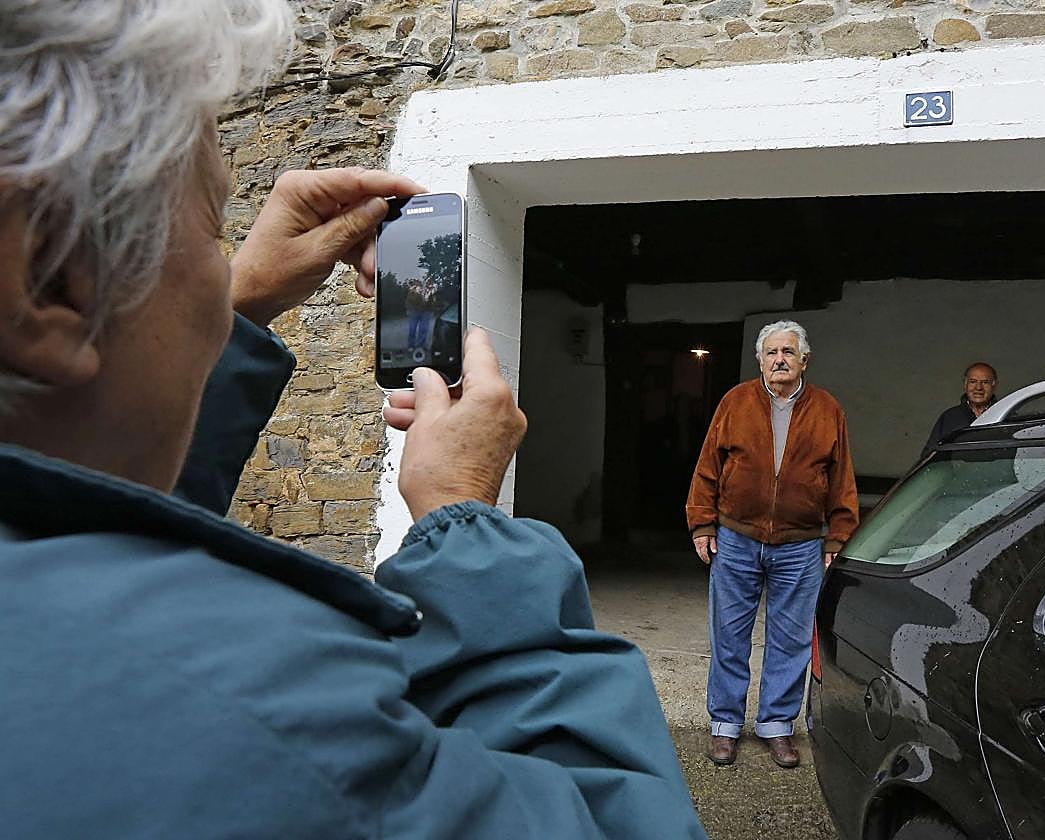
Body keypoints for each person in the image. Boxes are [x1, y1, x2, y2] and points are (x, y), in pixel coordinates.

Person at [0, 3, 706, 838]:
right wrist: (464, 520)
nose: (226, 273)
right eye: (211, 228)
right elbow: (608, 820)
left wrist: (242, 309)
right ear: (48, 276)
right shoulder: (266, 702)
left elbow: (89, 530)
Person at [686, 321, 858, 768]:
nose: (779, 360)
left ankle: (776, 725)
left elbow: (841, 477)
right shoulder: (735, 401)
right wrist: (702, 524)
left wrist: (839, 534)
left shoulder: (827, 409)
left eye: (788, 352)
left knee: (791, 637)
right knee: (729, 634)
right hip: (736, 537)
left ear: (805, 360)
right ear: (760, 360)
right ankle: (725, 725)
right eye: (772, 352)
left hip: (800, 544)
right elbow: (708, 466)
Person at [920, 362, 1000, 459]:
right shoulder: (950, 417)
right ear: (965, 384)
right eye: (973, 382)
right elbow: (930, 454)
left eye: (985, 382)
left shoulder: (1006, 415)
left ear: (994, 385)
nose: (979, 388)